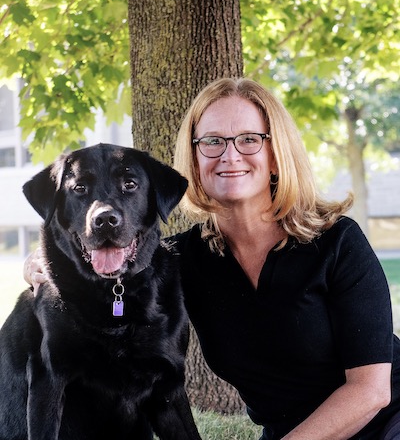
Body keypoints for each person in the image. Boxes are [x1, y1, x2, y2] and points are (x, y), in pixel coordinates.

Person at [25, 78, 400, 440]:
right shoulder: (181, 261)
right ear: (195, 157)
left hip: (387, 422)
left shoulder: (337, 243)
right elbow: (104, 253)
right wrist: (42, 260)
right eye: (213, 141)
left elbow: (371, 392)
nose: (229, 154)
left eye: (249, 139)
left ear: (275, 156)